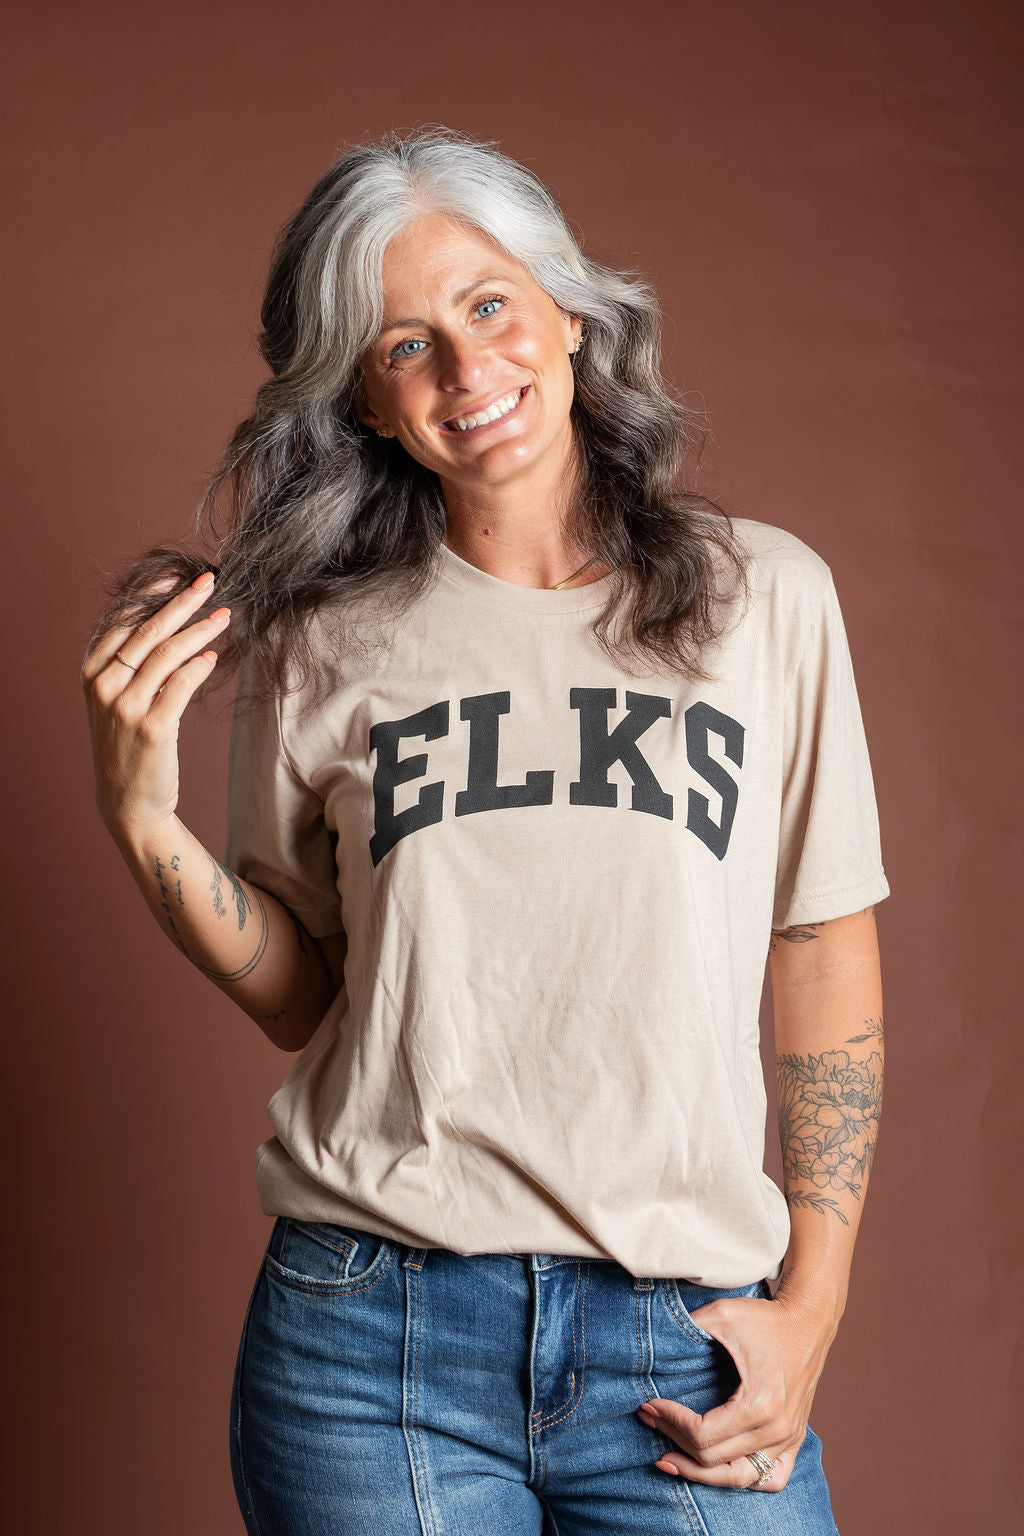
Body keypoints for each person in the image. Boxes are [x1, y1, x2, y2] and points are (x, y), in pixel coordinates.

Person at [81, 126, 889, 1535]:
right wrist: (143, 820)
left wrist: (812, 1303)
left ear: (571, 313)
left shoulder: (769, 600)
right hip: (371, 1340)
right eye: (406, 345)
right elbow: (306, 997)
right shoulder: (322, 642)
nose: (468, 370)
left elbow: (822, 950)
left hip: (680, 1332)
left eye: (491, 305)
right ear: (365, 399)